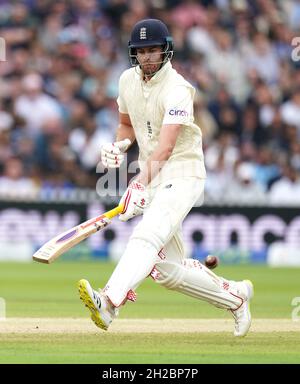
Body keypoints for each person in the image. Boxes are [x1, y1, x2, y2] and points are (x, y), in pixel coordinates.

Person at [78, 19, 254, 337]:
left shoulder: (178, 89)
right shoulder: (126, 81)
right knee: (167, 271)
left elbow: (167, 145)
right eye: (141, 51)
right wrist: (120, 145)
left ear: (165, 50)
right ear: (134, 54)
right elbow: (127, 124)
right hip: (153, 171)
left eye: (153, 50)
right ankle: (235, 297)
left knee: (147, 234)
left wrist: (138, 183)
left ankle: (109, 302)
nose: (147, 57)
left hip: (183, 170)